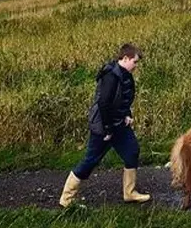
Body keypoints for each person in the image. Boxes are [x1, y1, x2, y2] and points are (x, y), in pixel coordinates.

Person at [59, 43, 150, 207]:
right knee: (91, 160)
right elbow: (104, 104)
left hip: (119, 124)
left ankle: (129, 193)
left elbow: (123, 100)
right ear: (125, 58)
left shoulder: (126, 75)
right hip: (104, 126)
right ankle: (67, 199)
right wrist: (108, 129)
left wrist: (127, 115)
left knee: (132, 151)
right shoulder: (111, 76)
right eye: (135, 62)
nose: (136, 66)